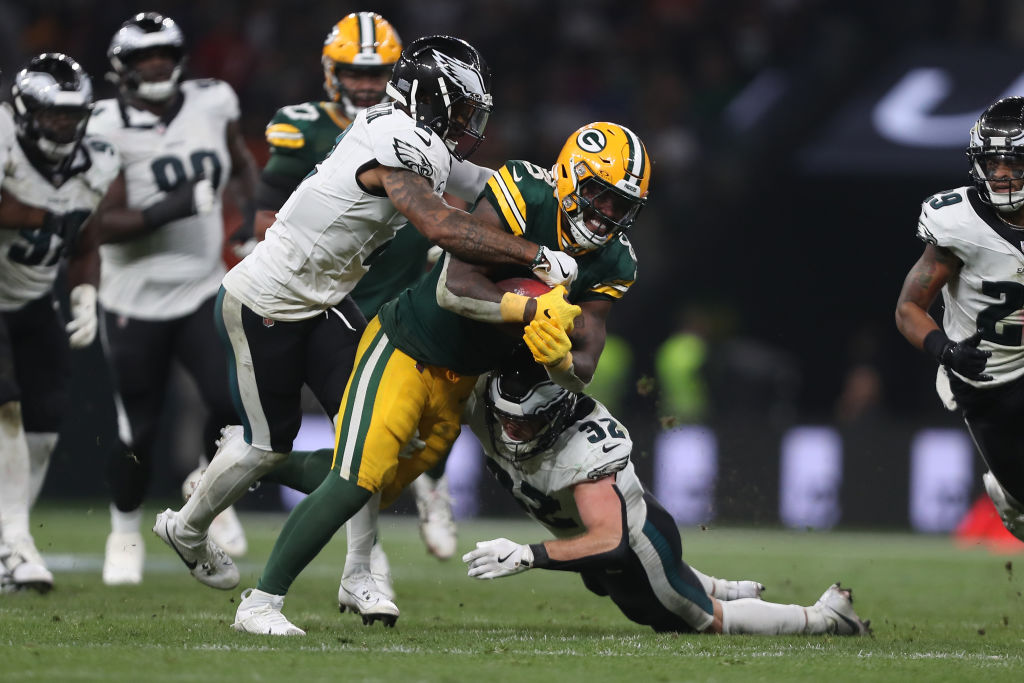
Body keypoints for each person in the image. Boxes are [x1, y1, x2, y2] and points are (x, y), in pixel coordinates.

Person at [154, 35, 577, 606]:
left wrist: (564, 185)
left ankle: (359, 574)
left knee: (371, 432)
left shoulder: (415, 135)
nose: (470, 120)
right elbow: (439, 225)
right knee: (268, 445)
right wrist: (536, 256)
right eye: (462, 107)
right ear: (431, 98)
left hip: (325, 299)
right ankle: (186, 527)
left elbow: (482, 182)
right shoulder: (395, 139)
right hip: (269, 301)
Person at [229, 120, 647, 635]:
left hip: (462, 380)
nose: (607, 214)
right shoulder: (524, 189)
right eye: (599, 195)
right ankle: (261, 602)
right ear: (568, 177)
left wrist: (559, 358)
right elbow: (455, 284)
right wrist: (524, 309)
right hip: (406, 345)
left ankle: (248, 463)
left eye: (620, 205)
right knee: (354, 479)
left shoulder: (615, 259)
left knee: (374, 488)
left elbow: (585, 362)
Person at [252, 13, 451, 606]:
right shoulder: (317, 127)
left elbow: (452, 195)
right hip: (329, 299)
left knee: (404, 426)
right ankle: (361, 564)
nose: (366, 83)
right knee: (353, 446)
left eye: (378, 72)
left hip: (395, 294)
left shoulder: (420, 136)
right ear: (330, 70)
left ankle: (416, 507)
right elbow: (264, 218)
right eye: (355, 71)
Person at [459, 356, 871, 636]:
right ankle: (720, 585)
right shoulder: (484, 403)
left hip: (636, 543)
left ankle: (826, 618)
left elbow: (611, 542)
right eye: (505, 419)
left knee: (698, 619)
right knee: (598, 584)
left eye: (526, 423)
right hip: (599, 529)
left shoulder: (581, 445)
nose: (512, 432)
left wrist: (528, 555)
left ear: (554, 414)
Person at [86, 12, 259, 585]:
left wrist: (244, 224)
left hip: (201, 285)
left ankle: (203, 484)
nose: (156, 65)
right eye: (143, 58)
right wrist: (174, 205)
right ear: (123, 70)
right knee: (140, 427)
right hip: (133, 298)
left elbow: (239, 165)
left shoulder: (213, 102)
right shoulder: (103, 124)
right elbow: (100, 224)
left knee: (230, 402)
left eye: (163, 54)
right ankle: (123, 530)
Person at [0, 53, 118, 591]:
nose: (64, 126)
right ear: (25, 112)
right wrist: (41, 212)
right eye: (53, 115)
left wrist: (86, 292)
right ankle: (16, 545)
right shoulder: (3, 138)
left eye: (73, 115)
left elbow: (86, 237)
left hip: (31, 299)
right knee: (8, 411)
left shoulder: (95, 160)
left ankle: (6, 540)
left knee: (45, 426)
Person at [896, 95, 1024, 544]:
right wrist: (945, 350)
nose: (1002, 173)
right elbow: (909, 308)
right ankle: (1010, 497)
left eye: (1014, 161)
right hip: (984, 381)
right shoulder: (958, 223)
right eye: (994, 162)